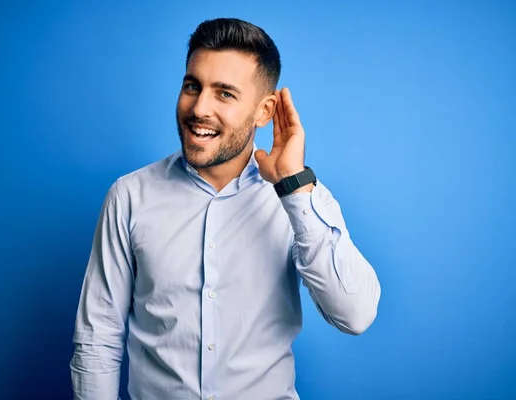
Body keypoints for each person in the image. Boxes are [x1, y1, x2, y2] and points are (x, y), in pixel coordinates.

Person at [70, 17, 381, 400]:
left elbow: (355, 315)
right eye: (192, 86)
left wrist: (294, 188)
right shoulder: (129, 196)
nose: (200, 108)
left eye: (225, 94)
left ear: (265, 111)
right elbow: (97, 337)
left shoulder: (301, 198)